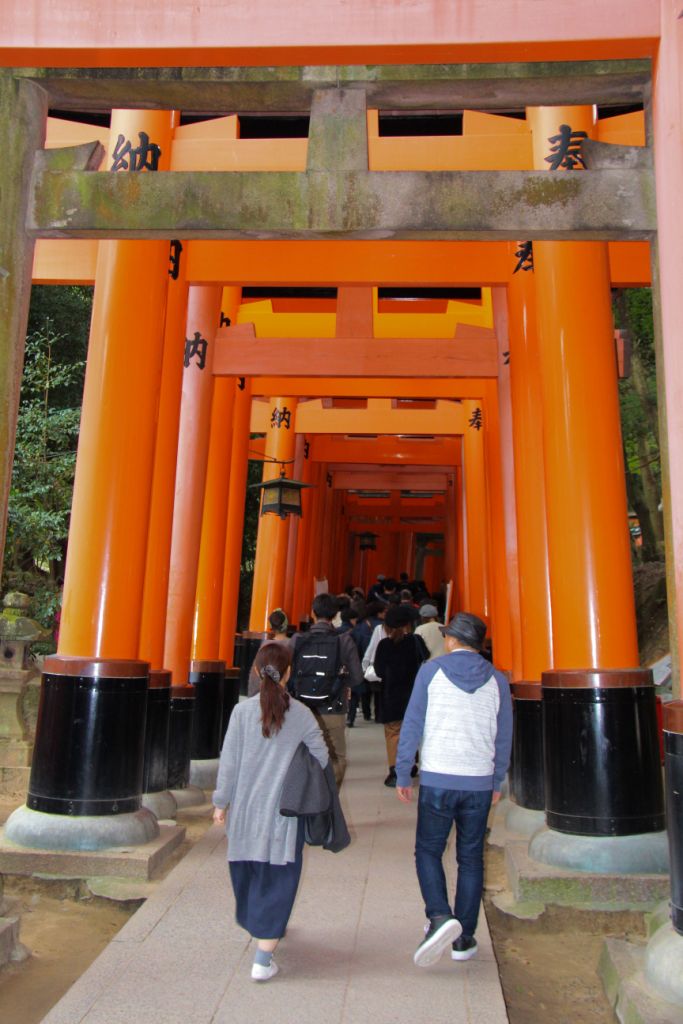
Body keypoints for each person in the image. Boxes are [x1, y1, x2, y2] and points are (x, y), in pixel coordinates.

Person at [395, 612, 512, 968]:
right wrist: (497, 780)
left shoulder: (431, 673)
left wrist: (403, 772)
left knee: (428, 851)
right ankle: (464, 938)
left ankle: (439, 916)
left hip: (438, 779)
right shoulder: (498, 680)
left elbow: (413, 723)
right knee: (470, 858)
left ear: (451, 640)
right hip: (478, 781)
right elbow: (503, 735)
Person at [212, 642, 328, 982]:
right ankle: (265, 950)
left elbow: (229, 762)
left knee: (249, 873)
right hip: (283, 814)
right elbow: (321, 758)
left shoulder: (241, 712)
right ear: (289, 673)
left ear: (255, 672)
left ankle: (264, 940)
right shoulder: (302, 714)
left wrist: (221, 803)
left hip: (246, 813)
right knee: (279, 878)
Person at [289, 592, 363, 786]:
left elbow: (287, 674)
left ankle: (308, 799)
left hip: (302, 709)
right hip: (334, 709)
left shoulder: (297, 640)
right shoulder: (344, 640)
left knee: (304, 754)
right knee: (337, 757)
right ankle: (329, 801)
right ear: (335, 615)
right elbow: (357, 677)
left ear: (313, 613)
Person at [374, 603, 428, 788]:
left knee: (393, 733)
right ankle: (411, 764)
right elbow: (425, 660)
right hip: (414, 694)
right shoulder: (415, 641)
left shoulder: (384, 645)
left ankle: (395, 770)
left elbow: (379, 671)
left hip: (391, 696)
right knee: (412, 731)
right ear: (408, 624)